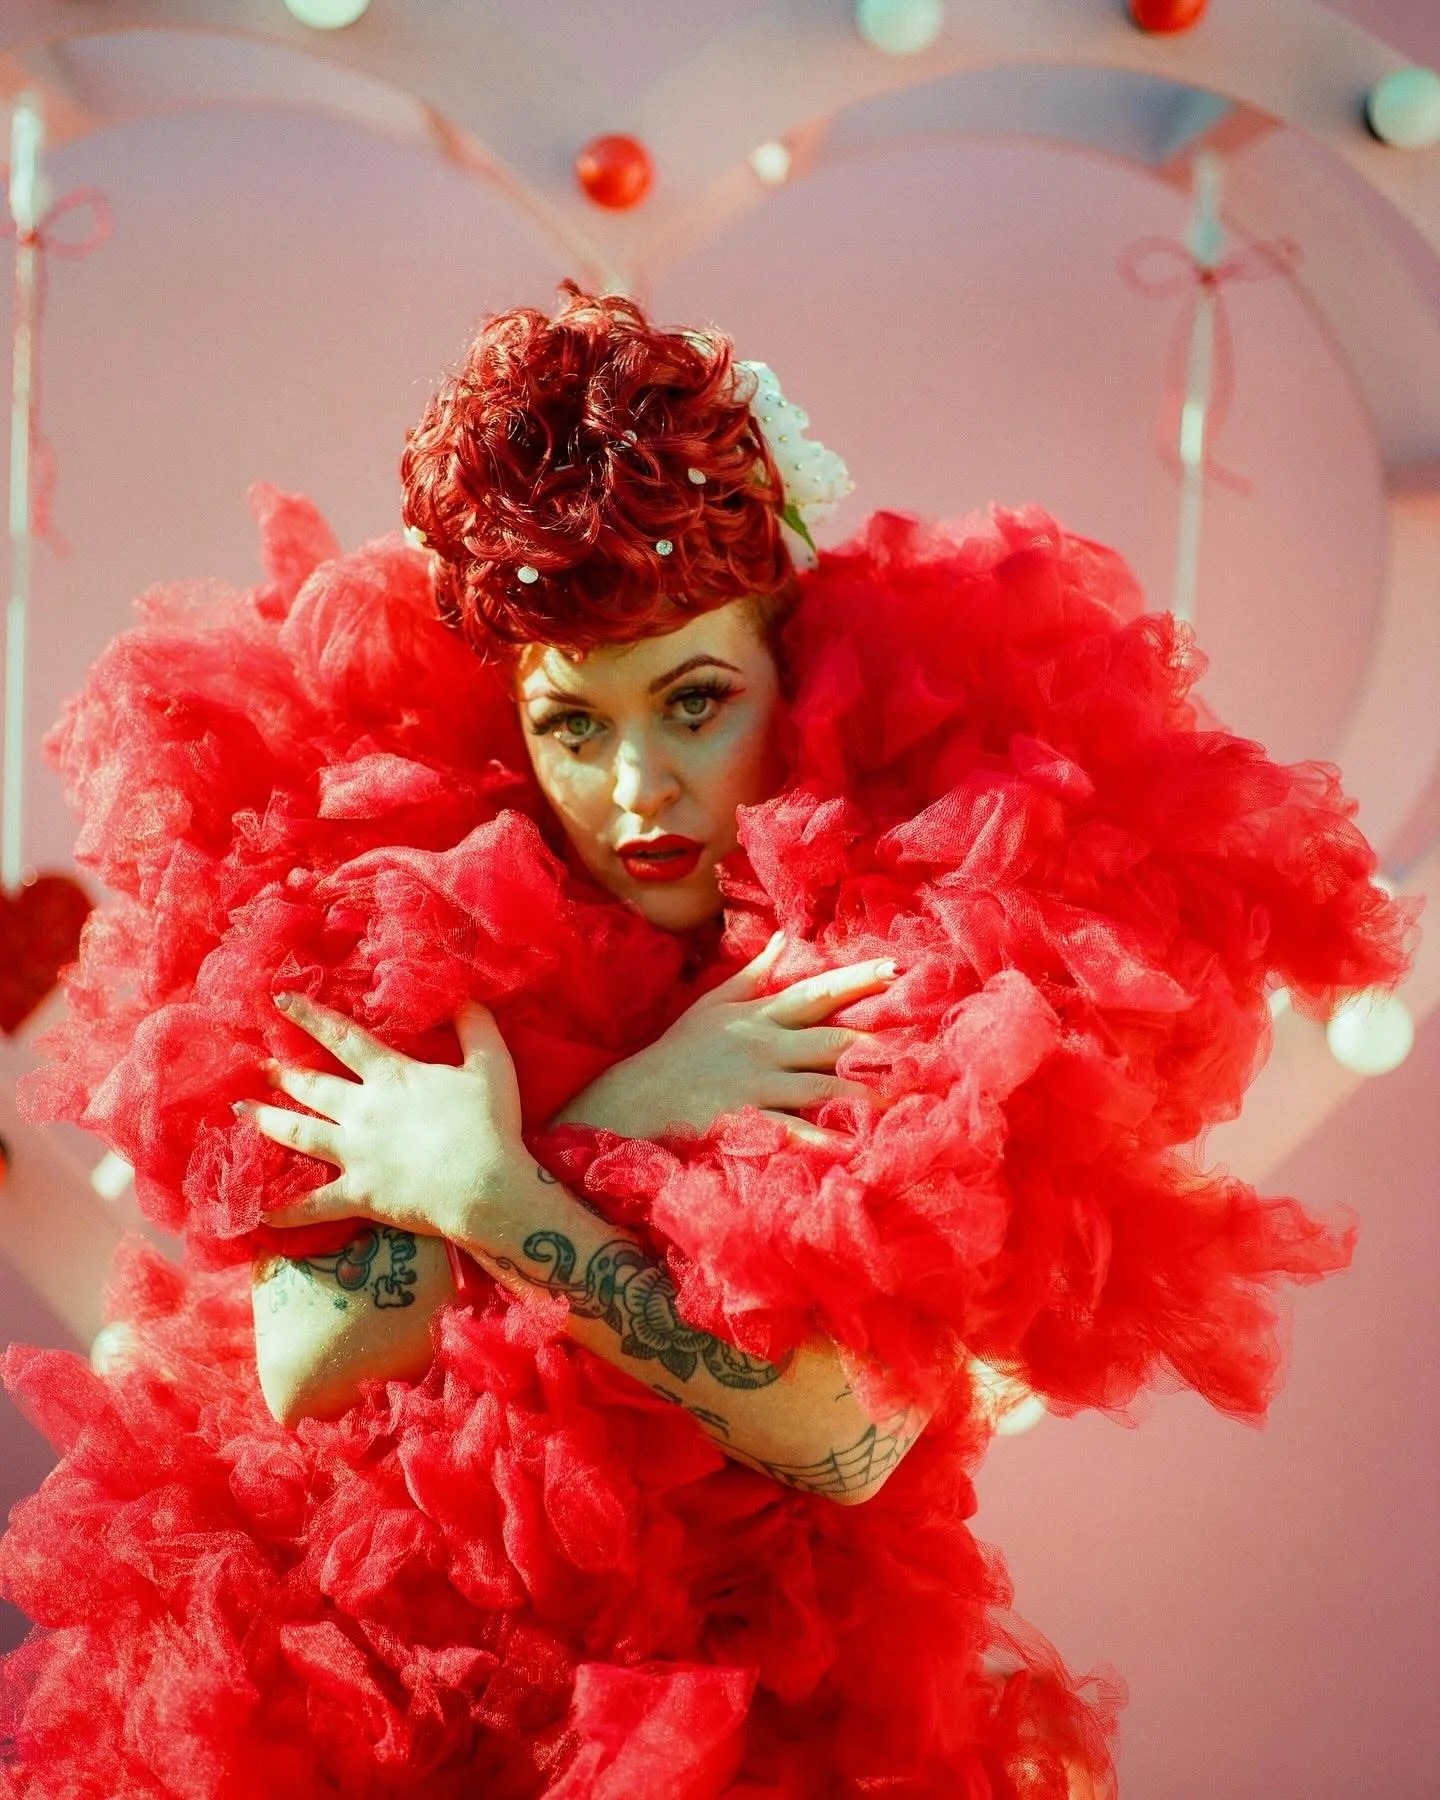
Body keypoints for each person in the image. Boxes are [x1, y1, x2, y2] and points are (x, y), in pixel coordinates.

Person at [0, 285, 1410, 1798]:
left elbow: (843, 1437)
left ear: (788, 673)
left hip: (752, 1694)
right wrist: (625, 1113)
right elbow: (319, 1360)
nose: (634, 789)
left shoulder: (902, 947)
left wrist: (492, 1190)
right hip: (372, 1680)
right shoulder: (393, 901)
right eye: (574, 725)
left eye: (694, 702)